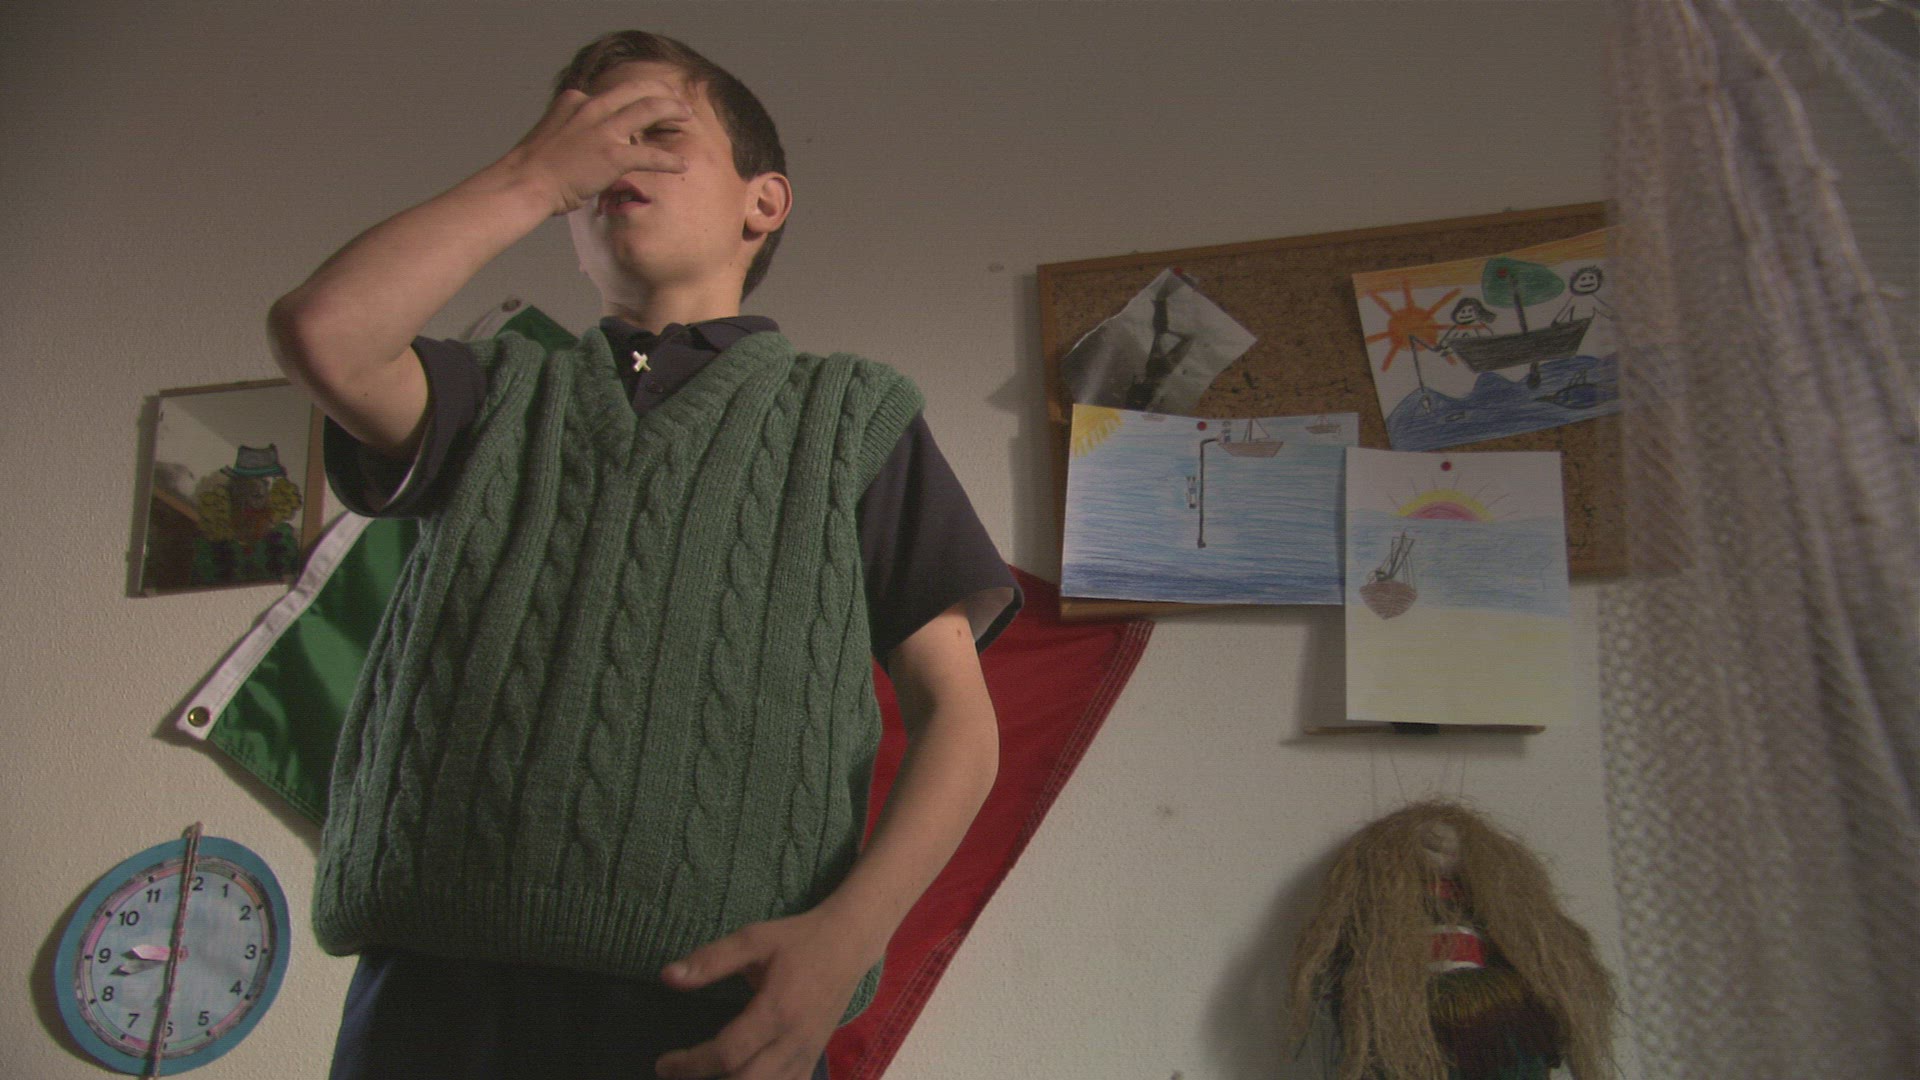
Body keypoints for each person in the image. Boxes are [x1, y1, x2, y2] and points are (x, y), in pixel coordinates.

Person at [268, 30, 1017, 1080]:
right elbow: (325, 332)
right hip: (436, 988)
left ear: (764, 202)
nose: (614, 157)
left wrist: (848, 937)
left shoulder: (851, 417)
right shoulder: (493, 390)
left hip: (716, 996)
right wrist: (533, 176)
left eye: (656, 132)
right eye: (588, 139)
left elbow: (959, 723)